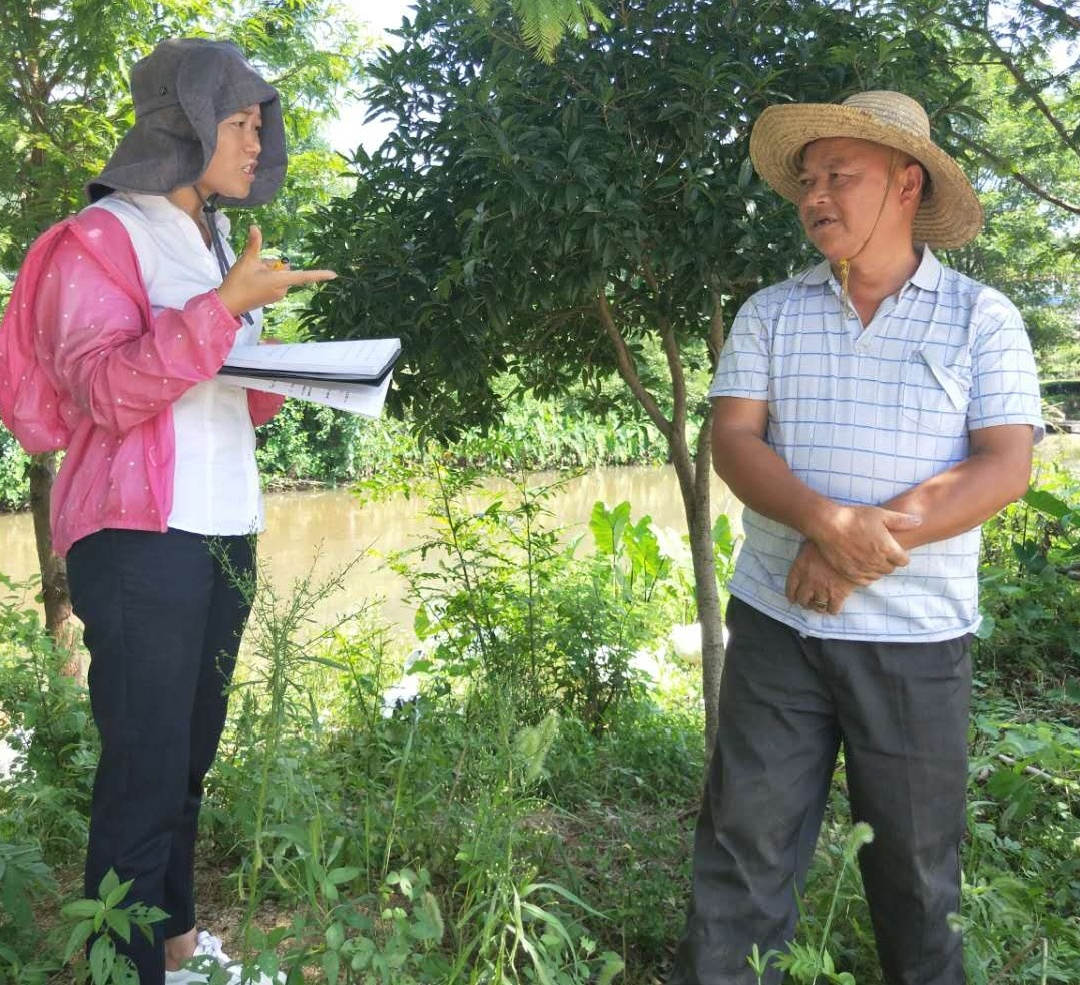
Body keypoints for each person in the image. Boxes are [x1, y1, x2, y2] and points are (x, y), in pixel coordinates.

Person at [668, 91, 1043, 985]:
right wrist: (822, 521)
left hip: (917, 640)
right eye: (809, 179)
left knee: (918, 877)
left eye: (841, 175)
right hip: (779, 627)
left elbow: (1004, 465)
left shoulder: (981, 317)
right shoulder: (771, 312)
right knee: (742, 855)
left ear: (907, 185)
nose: (816, 196)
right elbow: (734, 439)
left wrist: (846, 549)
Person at [0, 38, 335, 984]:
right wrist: (224, 309)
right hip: (139, 540)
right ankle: (126, 967)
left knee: (187, 760)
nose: (257, 141)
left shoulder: (216, 240)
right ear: (184, 124)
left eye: (259, 124)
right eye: (240, 122)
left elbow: (229, 394)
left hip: (224, 528)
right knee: (143, 771)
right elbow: (105, 390)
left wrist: (286, 366)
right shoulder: (101, 237)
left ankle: (177, 946)